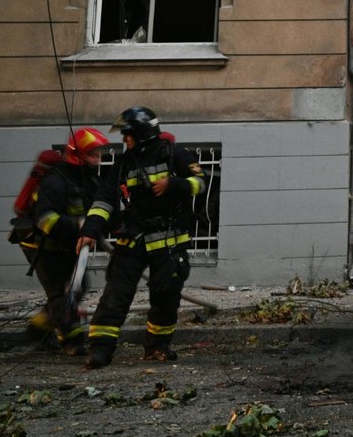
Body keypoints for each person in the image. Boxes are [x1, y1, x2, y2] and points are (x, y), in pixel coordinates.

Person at [80, 106, 207, 369]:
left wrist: (175, 184)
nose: (124, 140)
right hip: (133, 237)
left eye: (127, 135)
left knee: (166, 296)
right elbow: (104, 199)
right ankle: (100, 350)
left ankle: (157, 347)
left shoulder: (176, 155)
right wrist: (90, 230)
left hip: (169, 240)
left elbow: (200, 182)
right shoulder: (124, 163)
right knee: (116, 294)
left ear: (141, 132)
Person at [11, 127, 111, 356]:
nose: (98, 160)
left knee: (79, 286)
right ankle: (72, 343)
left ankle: (38, 329)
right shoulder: (55, 182)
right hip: (43, 246)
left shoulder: (87, 178)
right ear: (78, 155)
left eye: (99, 155)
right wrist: (78, 225)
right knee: (61, 294)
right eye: (93, 155)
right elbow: (45, 220)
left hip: (67, 243)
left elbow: (96, 206)